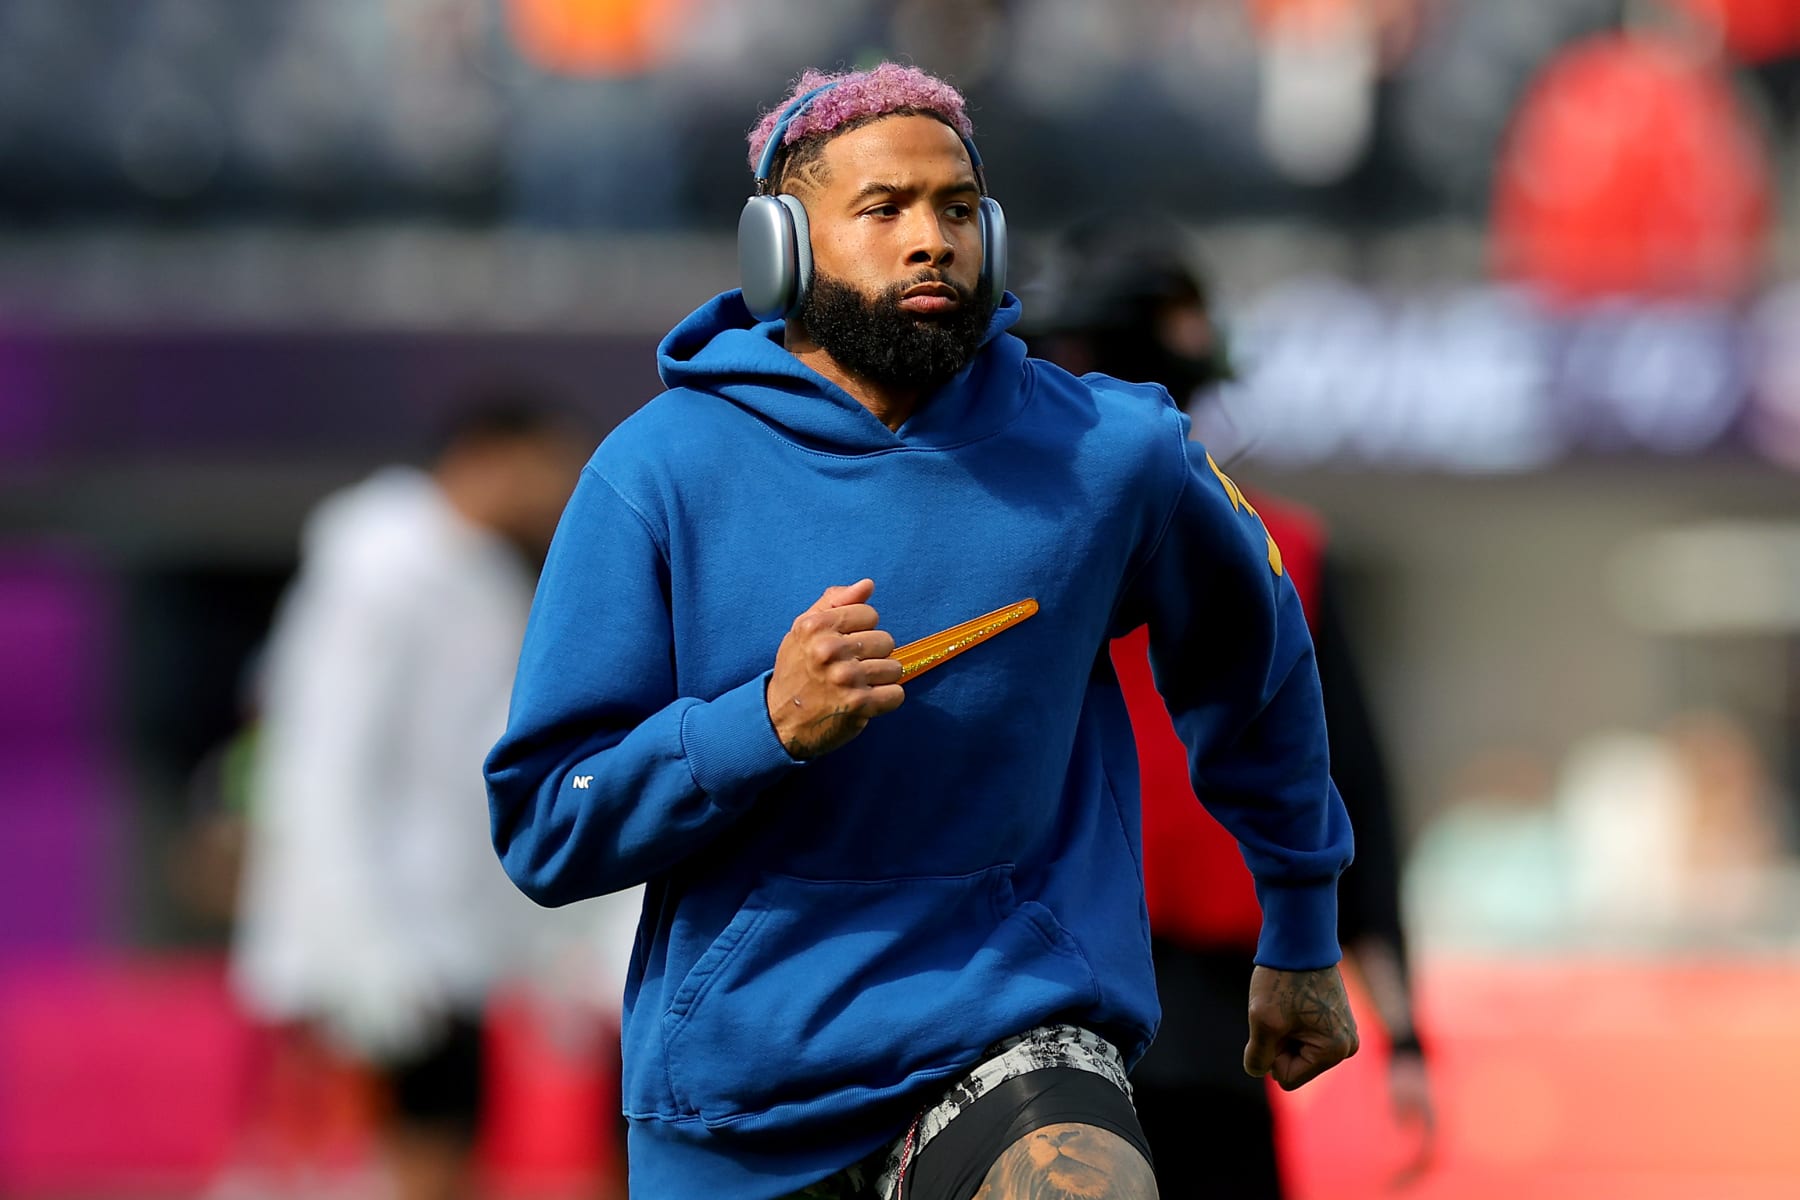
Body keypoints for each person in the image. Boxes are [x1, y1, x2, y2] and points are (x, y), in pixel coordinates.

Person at [484, 64, 1358, 1200]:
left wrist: (1299, 922)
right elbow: (548, 828)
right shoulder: (653, 475)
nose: (930, 240)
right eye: (884, 208)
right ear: (779, 251)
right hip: (739, 1092)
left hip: (1017, 1028)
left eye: (956, 209)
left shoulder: (1114, 450)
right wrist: (761, 725)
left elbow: (1260, 664)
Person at [1026, 220, 1433, 1195]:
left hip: (1163, 1017)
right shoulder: (1043, 553)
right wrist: (1406, 1039)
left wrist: (1406, 1035)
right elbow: (1357, 805)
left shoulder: (1275, 555)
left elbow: (1351, 801)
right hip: (1096, 1011)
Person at [231, 393, 595, 1200]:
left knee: (448, 1145)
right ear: (488, 456)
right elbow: (323, 762)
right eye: (548, 466)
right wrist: (361, 940)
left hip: (446, 934)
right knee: (383, 1159)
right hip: (384, 936)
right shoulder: (379, 572)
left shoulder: (479, 577)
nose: (560, 490)